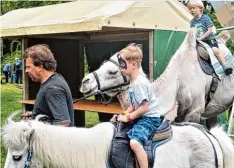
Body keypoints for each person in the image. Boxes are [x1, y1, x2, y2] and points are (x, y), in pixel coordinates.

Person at [117, 44, 161, 168]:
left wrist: (129, 118)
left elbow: (144, 108)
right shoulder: (133, 81)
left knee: (135, 143)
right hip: (142, 115)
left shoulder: (139, 84)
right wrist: (124, 113)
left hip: (149, 119)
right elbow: (134, 105)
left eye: (122, 63)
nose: (121, 67)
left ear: (134, 64)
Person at [21, 44, 74, 127]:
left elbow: (63, 124)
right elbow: (53, 113)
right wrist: (35, 115)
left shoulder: (52, 88)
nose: (26, 71)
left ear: (40, 67)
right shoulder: (55, 78)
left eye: (28, 67)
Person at [187, 0, 233, 75]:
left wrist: (201, 37)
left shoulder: (206, 18)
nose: (192, 10)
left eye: (193, 8)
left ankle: (224, 65)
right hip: (199, 40)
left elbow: (210, 30)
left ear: (200, 9)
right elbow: (192, 31)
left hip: (209, 39)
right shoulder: (192, 22)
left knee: (215, 51)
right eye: (190, 9)